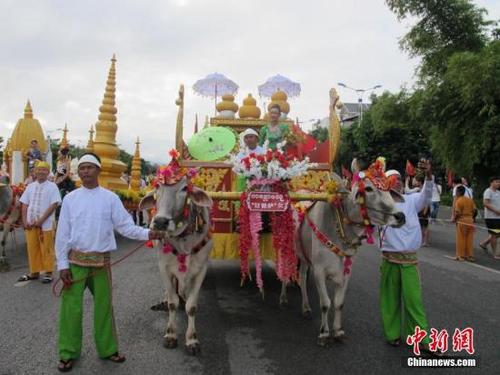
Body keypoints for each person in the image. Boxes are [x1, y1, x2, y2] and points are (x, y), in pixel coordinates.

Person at [55, 153, 163, 372]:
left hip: (100, 263)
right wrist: (63, 265)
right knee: (71, 310)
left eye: (89, 167)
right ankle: (68, 352)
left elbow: (125, 226)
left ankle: (108, 349)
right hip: (75, 262)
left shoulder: (110, 198)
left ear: (98, 170)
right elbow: (62, 234)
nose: (85, 171)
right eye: (82, 168)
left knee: (104, 308)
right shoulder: (70, 199)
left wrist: (148, 234)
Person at [378, 161, 440, 355]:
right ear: (385, 183)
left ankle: (421, 340)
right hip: (389, 260)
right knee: (390, 300)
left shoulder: (412, 200)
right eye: (391, 179)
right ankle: (392, 334)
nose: (396, 183)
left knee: (413, 300)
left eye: (398, 179)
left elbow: (427, 195)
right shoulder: (379, 204)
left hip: (409, 261)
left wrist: (429, 176)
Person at [17, 161, 61, 284]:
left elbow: (54, 204)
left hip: (45, 225)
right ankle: (34, 272)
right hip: (31, 225)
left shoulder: (52, 186)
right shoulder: (30, 186)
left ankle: (48, 272)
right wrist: (25, 221)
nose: (41, 171)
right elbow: (24, 204)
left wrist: (41, 220)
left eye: (44, 170)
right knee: (32, 248)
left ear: (48, 172)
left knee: (46, 248)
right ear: (35, 172)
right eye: (39, 169)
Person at [479, 176, 500, 259]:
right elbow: (486, 203)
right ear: (491, 183)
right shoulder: (488, 191)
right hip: (491, 217)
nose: (498, 183)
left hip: (498, 217)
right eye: (496, 182)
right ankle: (495, 253)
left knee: (497, 233)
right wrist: (496, 211)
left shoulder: (498, 192)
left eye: (499, 182)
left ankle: (484, 243)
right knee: (494, 234)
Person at [454, 185, 476, 262]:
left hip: (462, 220)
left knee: (461, 238)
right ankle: (469, 255)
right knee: (469, 239)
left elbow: (457, 212)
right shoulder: (470, 200)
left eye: (456, 191)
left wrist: (454, 219)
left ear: (458, 192)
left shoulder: (458, 200)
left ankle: (461, 255)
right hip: (470, 220)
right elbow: (474, 210)